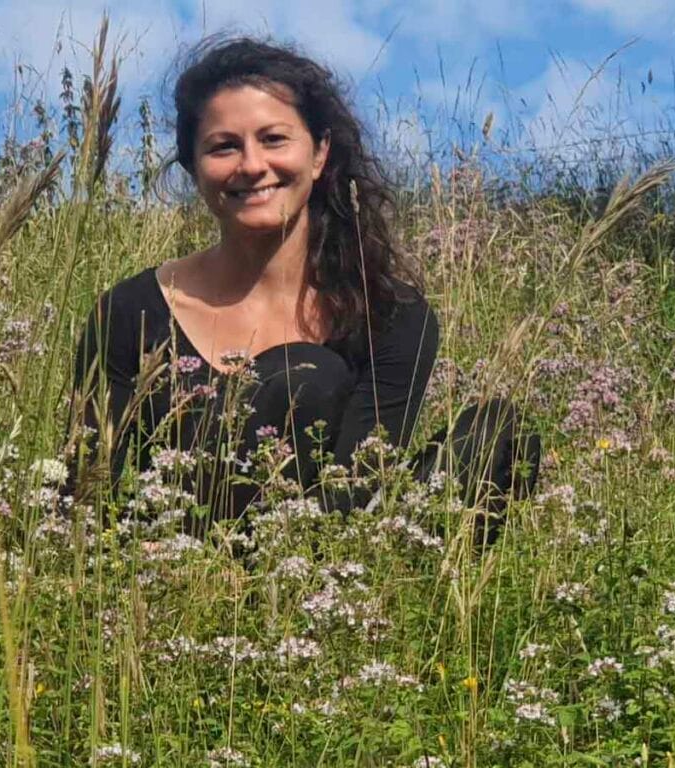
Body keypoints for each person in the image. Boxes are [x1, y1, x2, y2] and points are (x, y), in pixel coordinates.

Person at [67, 36, 539, 537]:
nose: (251, 165)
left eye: (274, 139)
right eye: (224, 146)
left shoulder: (389, 314)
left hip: (336, 554)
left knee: (501, 435)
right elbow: (85, 488)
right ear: (194, 169)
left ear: (319, 155)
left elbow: (361, 483)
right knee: (303, 376)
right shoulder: (131, 312)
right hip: (174, 557)